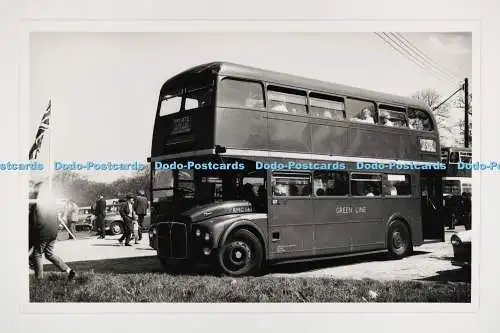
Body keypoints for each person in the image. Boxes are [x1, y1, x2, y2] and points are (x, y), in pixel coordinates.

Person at [29, 181, 75, 280]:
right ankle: (69, 271)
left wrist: (33, 231)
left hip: (43, 232)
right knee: (49, 254)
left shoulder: (38, 203)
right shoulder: (51, 202)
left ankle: (39, 279)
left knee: (37, 254)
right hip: (53, 232)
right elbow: (56, 217)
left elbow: (36, 220)